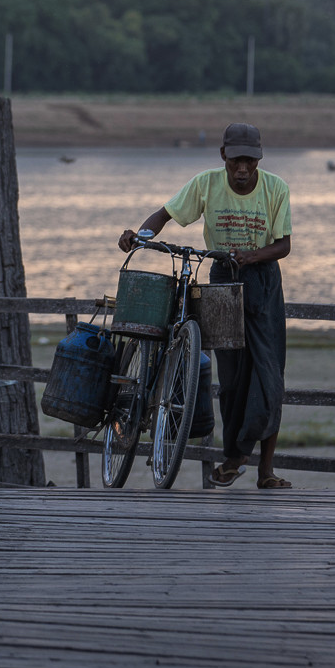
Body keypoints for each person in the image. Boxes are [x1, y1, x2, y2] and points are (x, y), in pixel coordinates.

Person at [117, 121, 292, 489]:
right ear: (223, 156)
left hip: (262, 281)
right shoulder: (206, 184)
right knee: (231, 379)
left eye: (249, 162)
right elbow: (164, 215)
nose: (242, 170)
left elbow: (283, 246)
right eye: (235, 162)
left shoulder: (276, 188)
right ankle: (236, 458)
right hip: (223, 281)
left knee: (270, 376)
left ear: (259, 160)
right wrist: (140, 237)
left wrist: (252, 256)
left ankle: (263, 469)